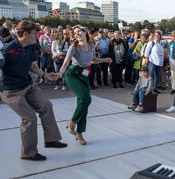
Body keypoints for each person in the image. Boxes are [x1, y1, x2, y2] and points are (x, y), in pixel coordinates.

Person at [0, 20, 67, 161]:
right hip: (11, 90)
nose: (37, 36)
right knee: (29, 118)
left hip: (27, 85)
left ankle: (51, 140)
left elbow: (31, 65)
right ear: (25, 34)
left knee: (46, 105)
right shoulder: (7, 51)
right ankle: (28, 153)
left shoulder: (31, 46)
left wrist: (45, 75)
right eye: (34, 34)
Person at [58, 25, 112, 145]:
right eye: (75, 32)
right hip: (73, 74)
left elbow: (92, 60)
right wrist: (60, 73)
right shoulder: (74, 47)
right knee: (86, 99)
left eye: (79, 31)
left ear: (84, 32)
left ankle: (79, 133)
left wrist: (104, 60)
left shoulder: (91, 46)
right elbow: (66, 62)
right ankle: (72, 122)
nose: (76, 34)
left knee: (84, 105)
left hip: (84, 75)